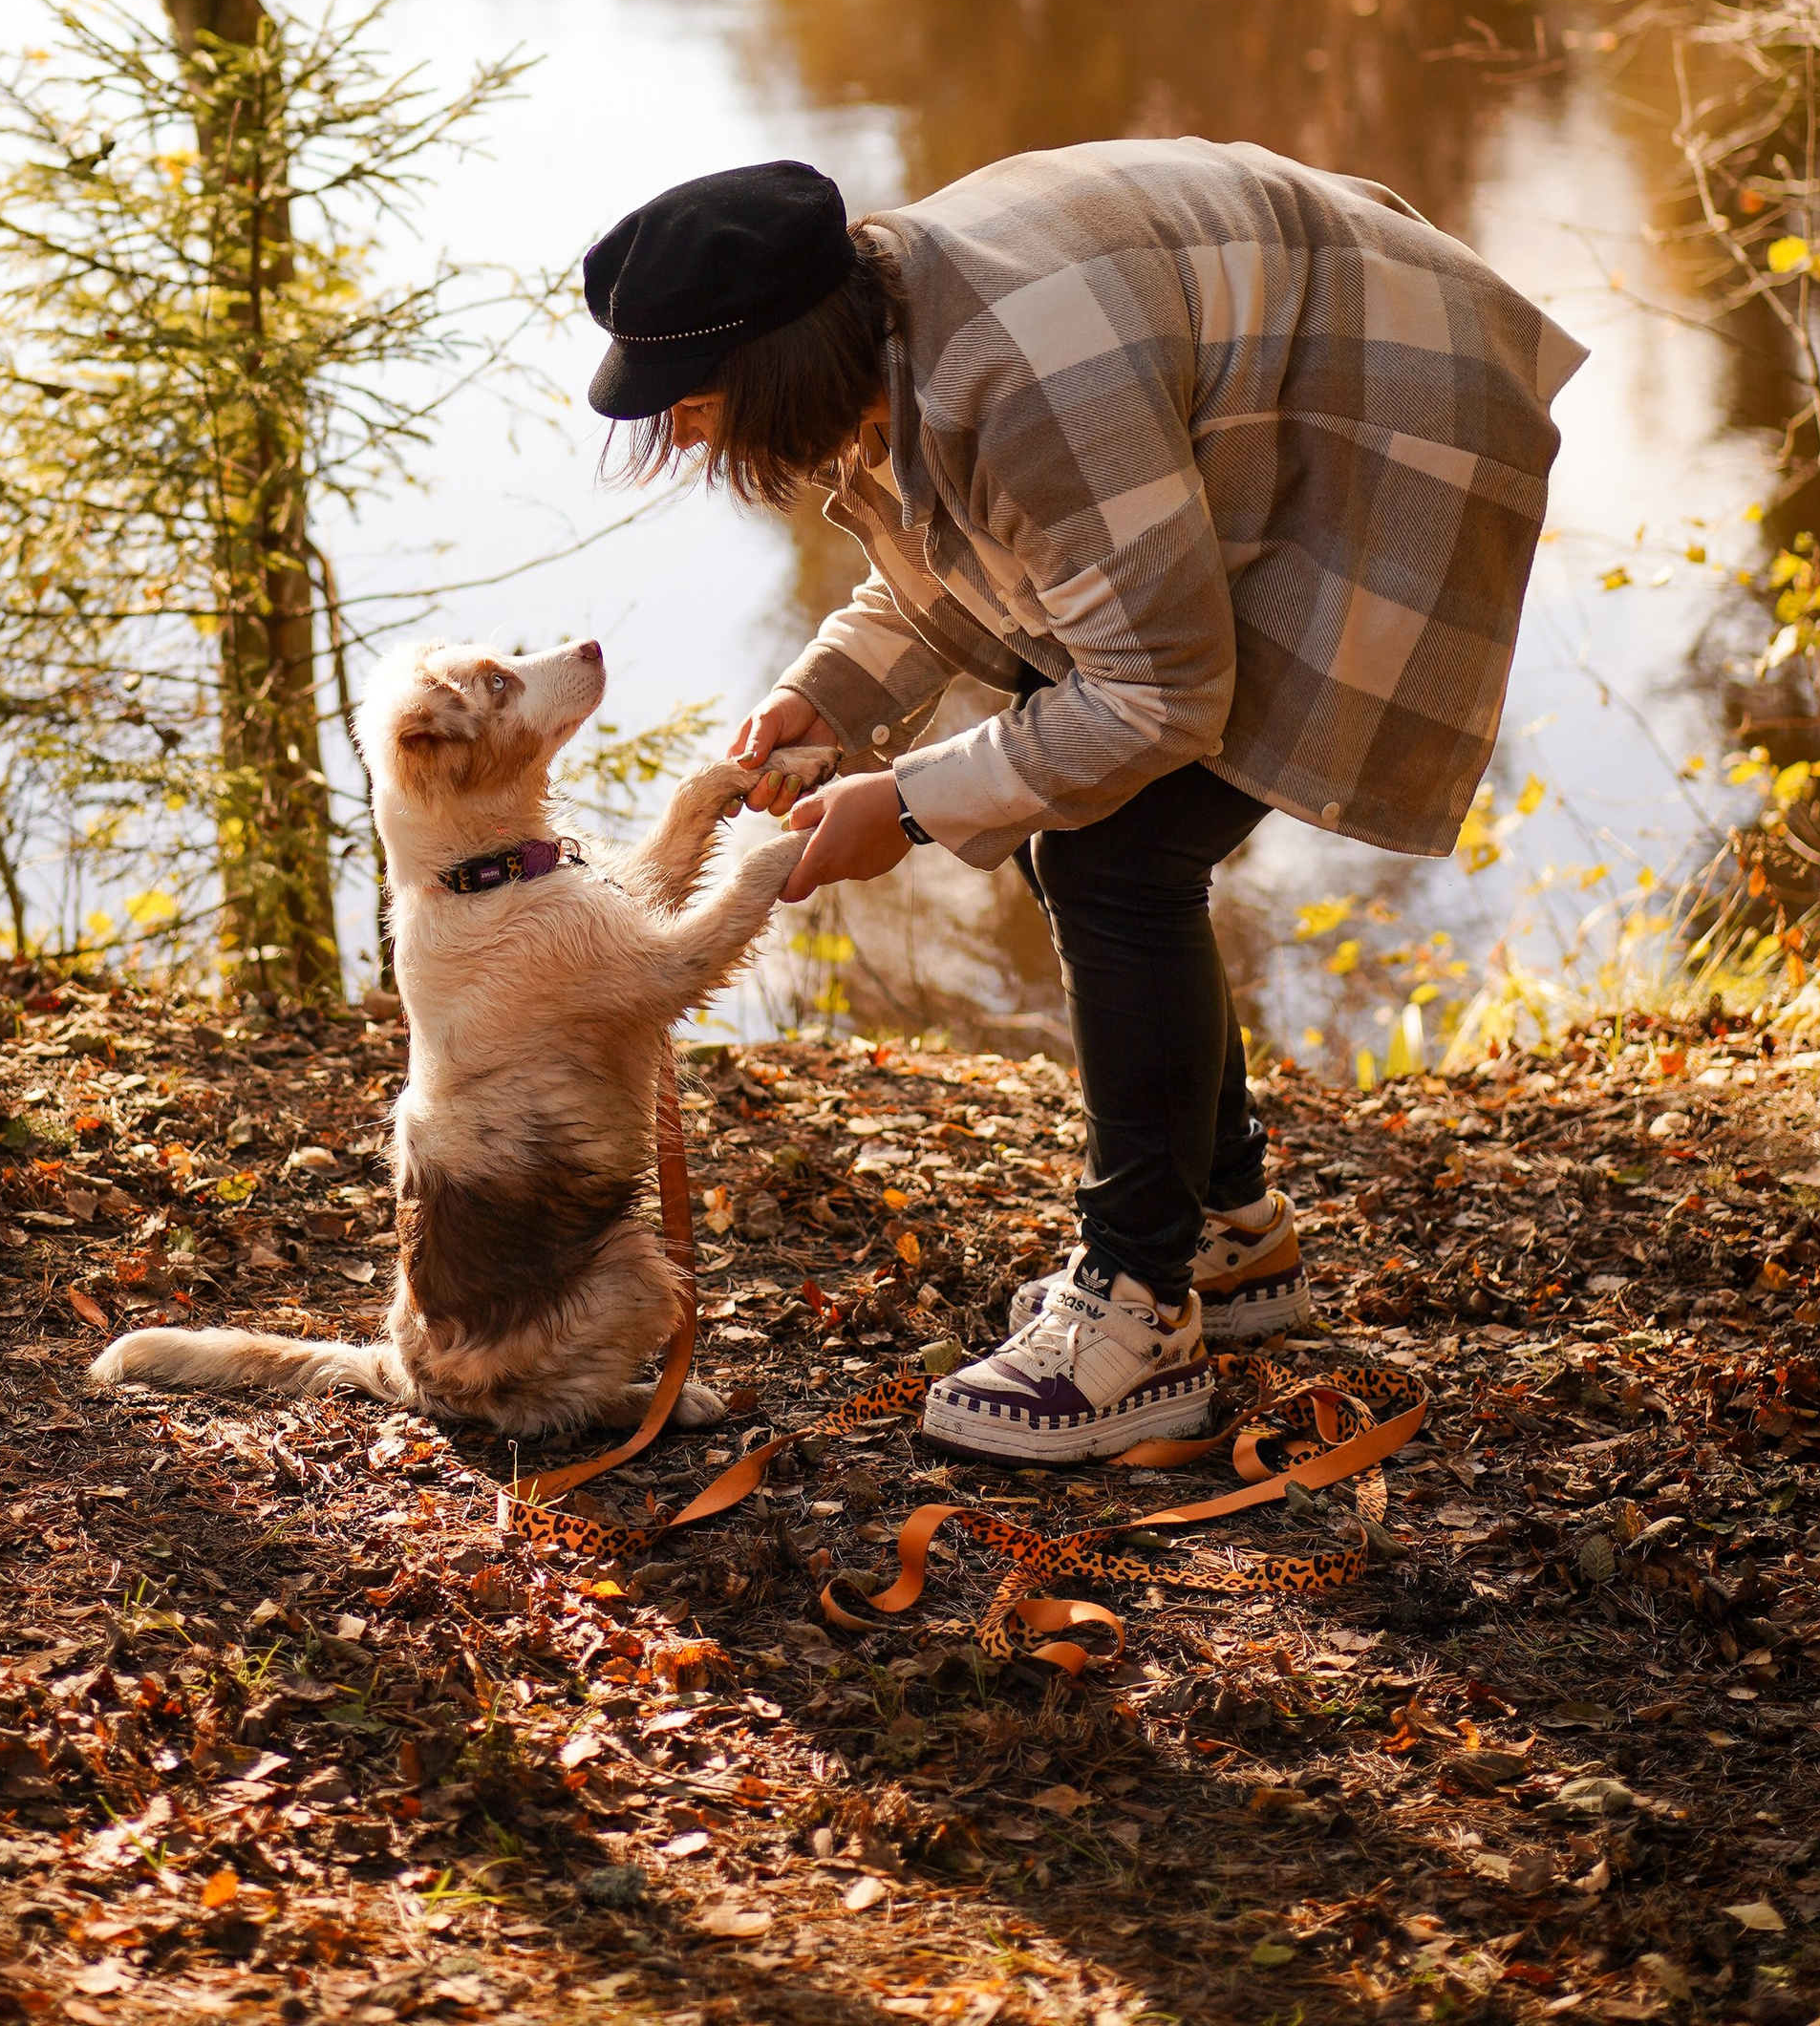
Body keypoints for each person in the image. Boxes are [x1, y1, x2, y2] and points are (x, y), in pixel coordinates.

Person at [581, 141, 1583, 1462]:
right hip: (1268, 368)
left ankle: (1142, 1320)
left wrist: (915, 804)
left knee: (1118, 853)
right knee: (1097, 840)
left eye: (694, 402)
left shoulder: (1024, 378)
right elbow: (971, 549)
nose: (689, 434)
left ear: (777, 358)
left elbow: (1163, 692)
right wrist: (835, 697)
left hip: (1382, 410)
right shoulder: (877, 332)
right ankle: (1225, 1235)